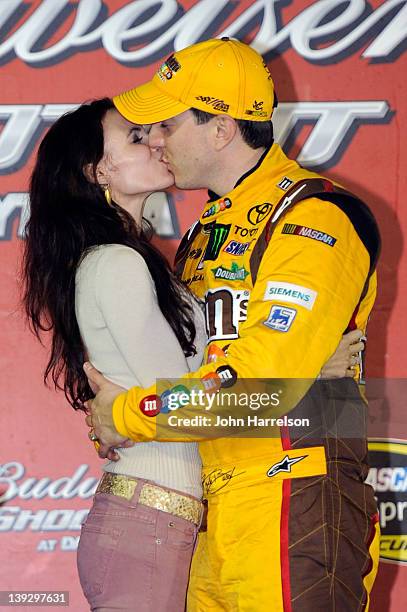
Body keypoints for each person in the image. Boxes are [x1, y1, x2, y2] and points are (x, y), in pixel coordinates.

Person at [84, 38, 381, 611]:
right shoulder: (202, 235)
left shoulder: (315, 214)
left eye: (168, 124)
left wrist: (126, 413)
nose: (157, 140)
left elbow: (257, 388)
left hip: (294, 495)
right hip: (205, 508)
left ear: (220, 129)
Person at [21, 98, 208, 611]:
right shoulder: (117, 263)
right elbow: (185, 408)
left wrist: (123, 415)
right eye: (134, 137)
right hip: (147, 528)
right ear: (98, 170)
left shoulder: (134, 260)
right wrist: (321, 390)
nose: (157, 141)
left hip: (157, 524)